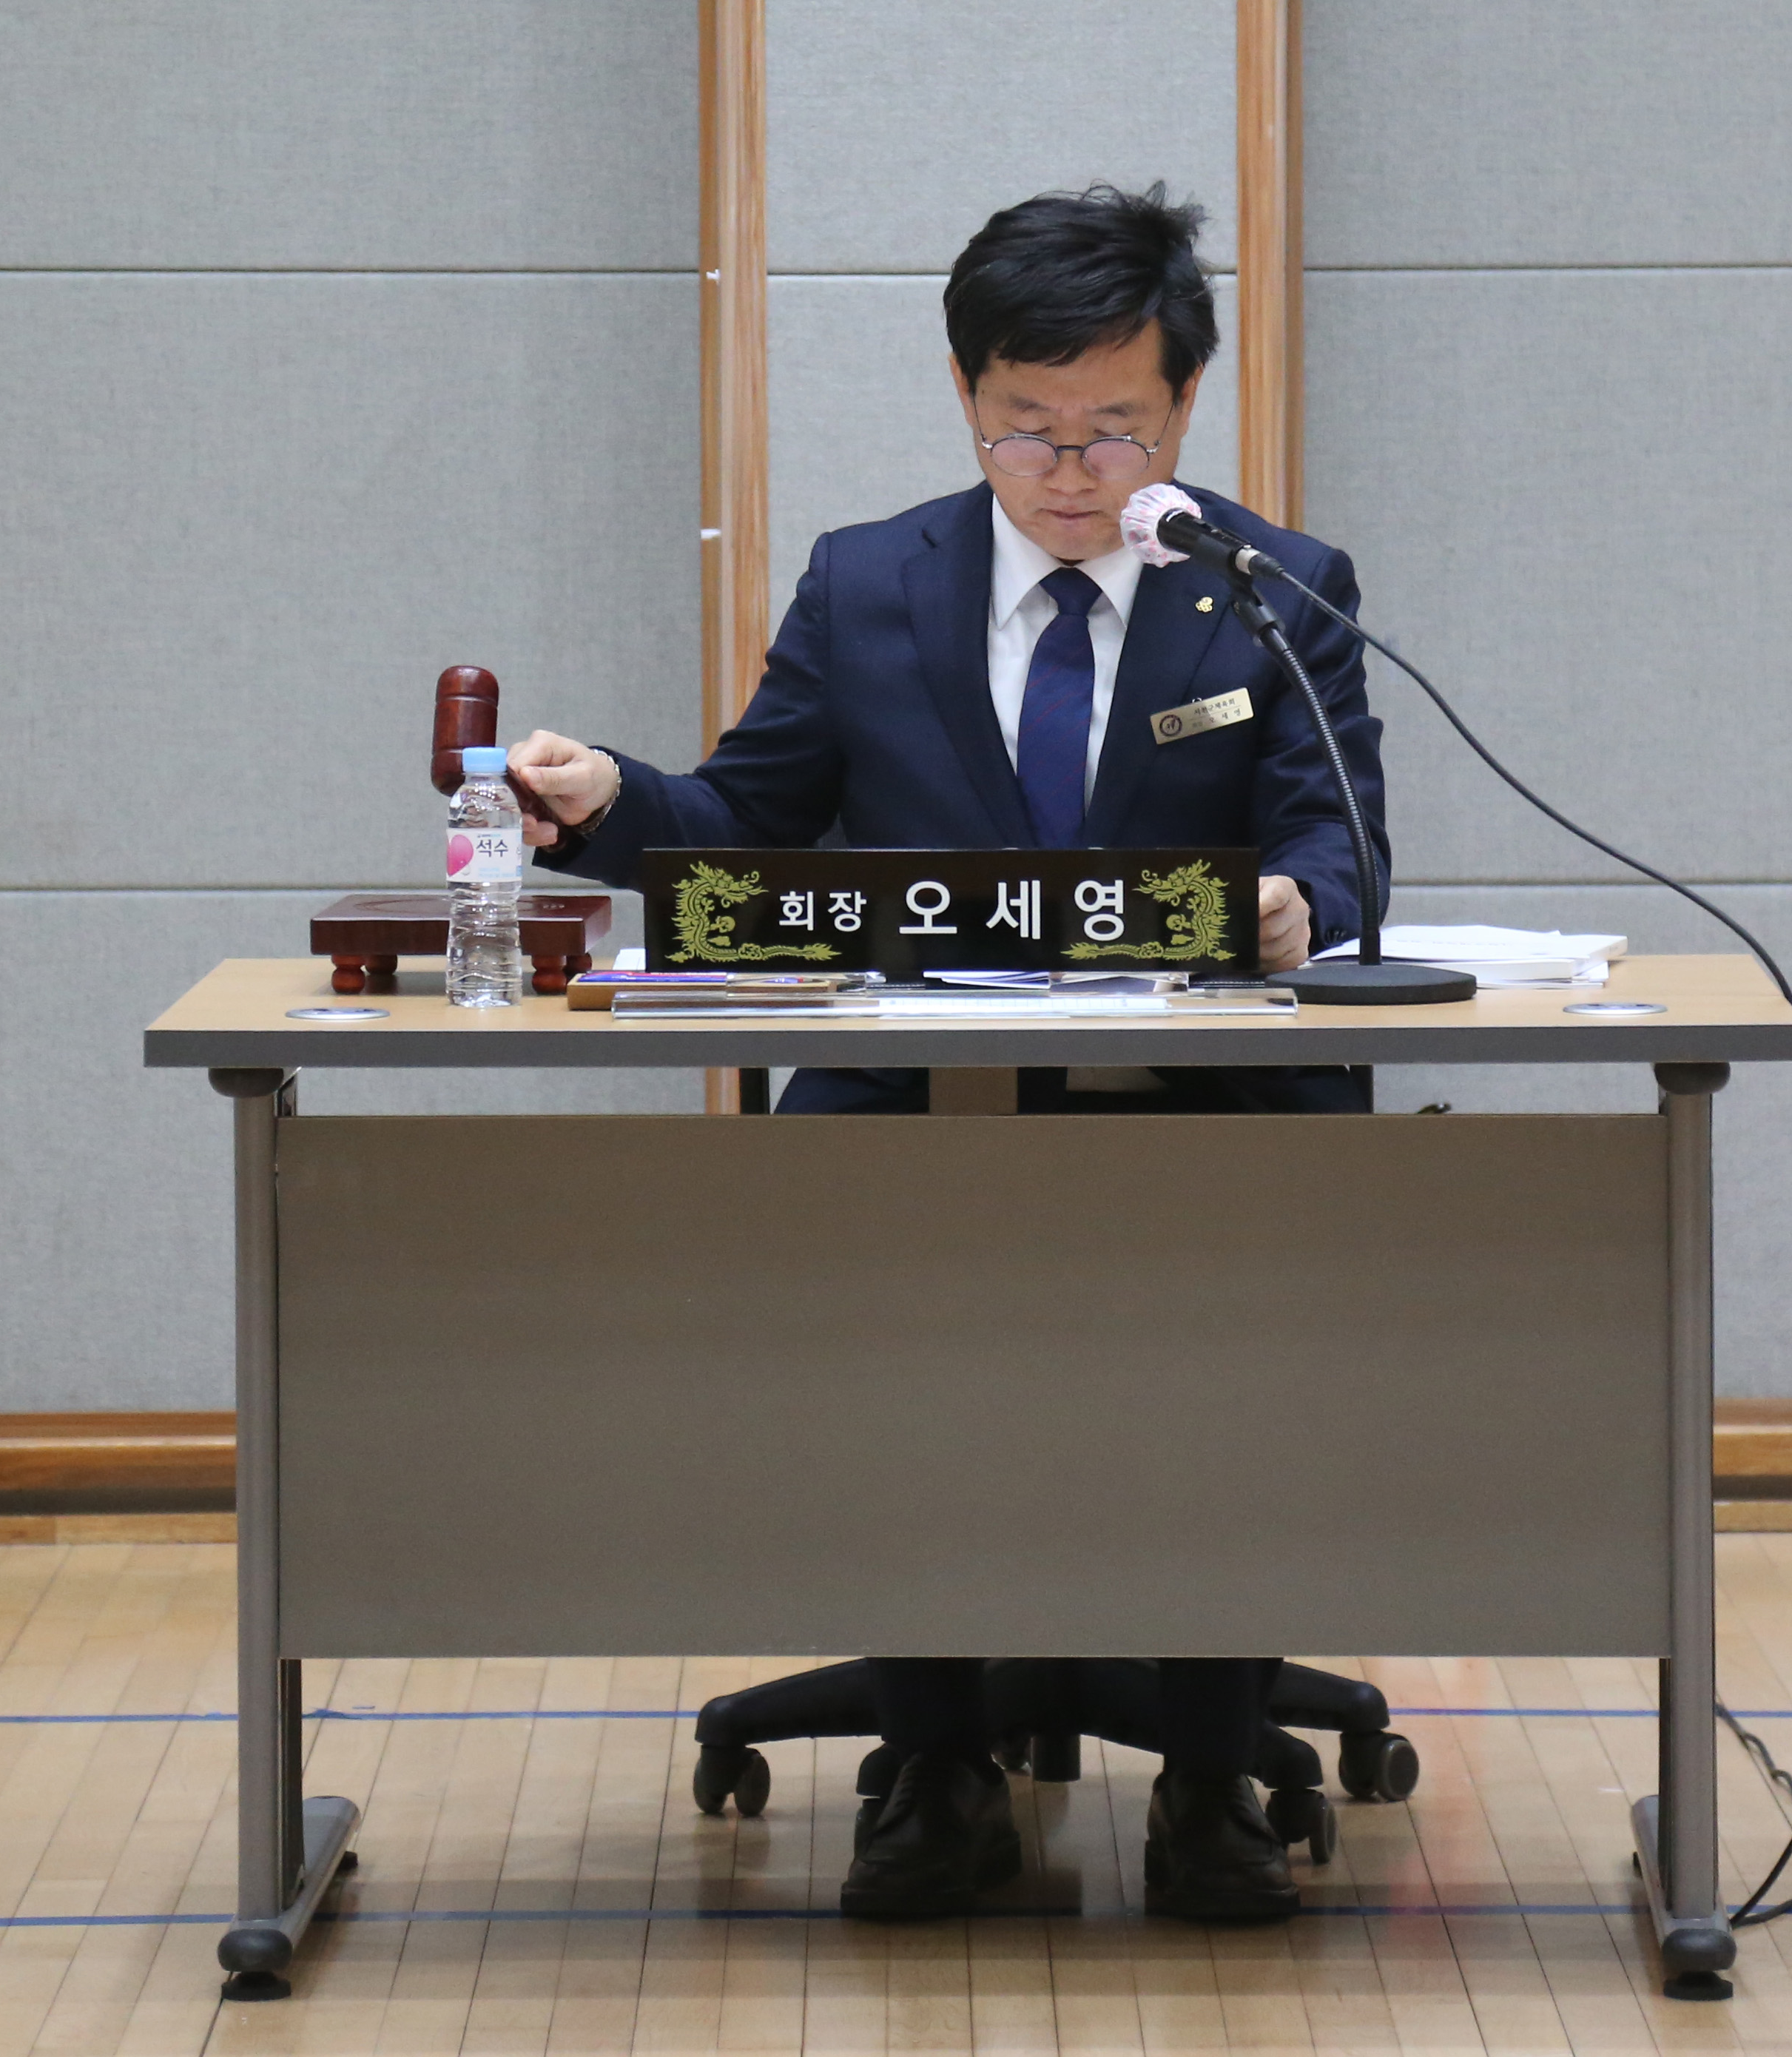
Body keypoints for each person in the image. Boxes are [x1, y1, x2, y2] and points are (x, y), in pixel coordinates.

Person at [510, 184, 1387, 1922]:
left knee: (1223, 1381)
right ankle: (930, 1759)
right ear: (966, 394)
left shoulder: (1274, 585)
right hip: (913, 1101)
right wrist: (609, 804)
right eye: (1024, 425)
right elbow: (745, 828)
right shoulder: (871, 583)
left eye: (1114, 427)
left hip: (1200, 1104)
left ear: (1187, 401)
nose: (1068, 469)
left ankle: (1214, 1768)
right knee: (891, 1364)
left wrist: (1301, 904)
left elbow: (1341, 847)